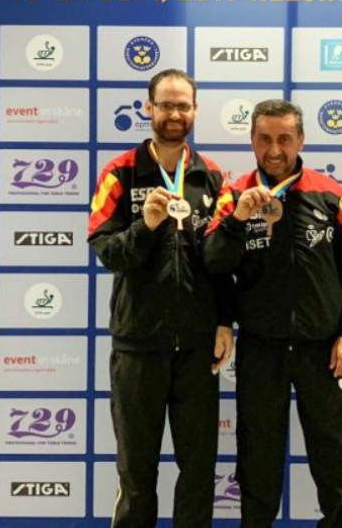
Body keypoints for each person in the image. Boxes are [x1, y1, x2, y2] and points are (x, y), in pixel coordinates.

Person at [203, 99, 342, 528]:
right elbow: (213, 264)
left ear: (301, 140)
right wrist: (238, 219)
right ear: (252, 141)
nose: (274, 149)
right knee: (258, 458)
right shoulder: (234, 194)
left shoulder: (332, 195)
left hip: (325, 349)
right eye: (265, 139)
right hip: (263, 348)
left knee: (333, 458)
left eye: (284, 138)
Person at [88, 68, 233, 528]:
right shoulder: (120, 172)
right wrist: (145, 227)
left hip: (195, 348)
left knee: (197, 471)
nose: (174, 114)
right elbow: (106, 252)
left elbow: (222, 261)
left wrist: (225, 322)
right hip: (137, 345)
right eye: (165, 105)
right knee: (136, 472)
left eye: (183, 105)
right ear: (148, 108)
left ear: (195, 111)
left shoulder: (212, 176)